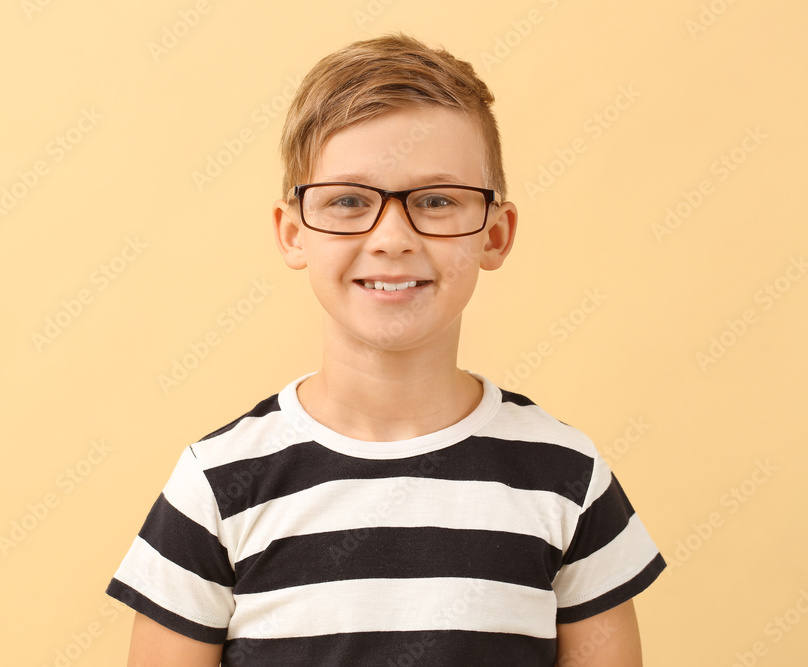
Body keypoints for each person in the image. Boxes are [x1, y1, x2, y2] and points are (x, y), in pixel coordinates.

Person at [106, 33, 665, 666]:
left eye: (436, 200)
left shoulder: (569, 479)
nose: (392, 237)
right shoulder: (215, 486)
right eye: (348, 201)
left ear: (496, 234)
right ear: (293, 234)